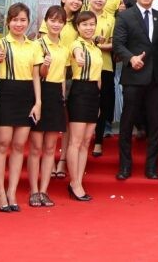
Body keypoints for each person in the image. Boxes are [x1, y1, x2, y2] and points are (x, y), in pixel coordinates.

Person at [112, 0, 158, 180]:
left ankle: (151, 167)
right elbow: (118, 44)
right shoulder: (125, 16)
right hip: (134, 77)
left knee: (156, 124)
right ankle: (125, 166)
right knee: (128, 123)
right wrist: (130, 58)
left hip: (156, 79)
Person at [0, 2, 43, 213]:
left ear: (28, 22)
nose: (19, 24)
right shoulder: (1, 42)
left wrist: (38, 102)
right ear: (8, 22)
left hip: (27, 95)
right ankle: (0, 191)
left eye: (22, 20)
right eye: (15, 20)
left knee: (20, 145)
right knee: (3, 143)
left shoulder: (34, 46)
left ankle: (12, 192)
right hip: (7, 93)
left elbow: (36, 76)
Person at [27, 5, 68, 207]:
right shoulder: (37, 44)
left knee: (51, 147)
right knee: (36, 147)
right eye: (52, 20)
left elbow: (62, 77)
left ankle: (44, 190)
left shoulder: (64, 48)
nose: (56, 24)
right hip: (39, 93)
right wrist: (38, 102)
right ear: (46, 21)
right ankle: (33, 190)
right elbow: (38, 74)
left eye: (60, 21)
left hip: (56, 95)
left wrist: (62, 98)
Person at [45, 0, 83, 180]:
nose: (75, 2)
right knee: (52, 118)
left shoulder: (79, 22)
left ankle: (62, 160)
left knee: (68, 119)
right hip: (51, 73)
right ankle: (50, 160)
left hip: (72, 73)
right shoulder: (53, 17)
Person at [66, 11, 104, 201]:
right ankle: (74, 182)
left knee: (86, 141)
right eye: (84, 24)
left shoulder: (96, 49)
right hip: (79, 90)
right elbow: (77, 54)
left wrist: (98, 100)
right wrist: (79, 58)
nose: (89, 28)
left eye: (91, 24)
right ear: (77, 27)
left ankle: (78, 180)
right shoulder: (76, 44)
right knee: (76, 141)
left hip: (93, 93)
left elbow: (99, 78)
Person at [87, 0, 121, 157]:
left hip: (105, 66)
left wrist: (98, 45)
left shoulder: (111, 19)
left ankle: (98, 141)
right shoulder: (82, 16)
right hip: (84, 67)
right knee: (85, 104)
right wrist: (95, 43)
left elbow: (115, 44)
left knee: (102, 104)